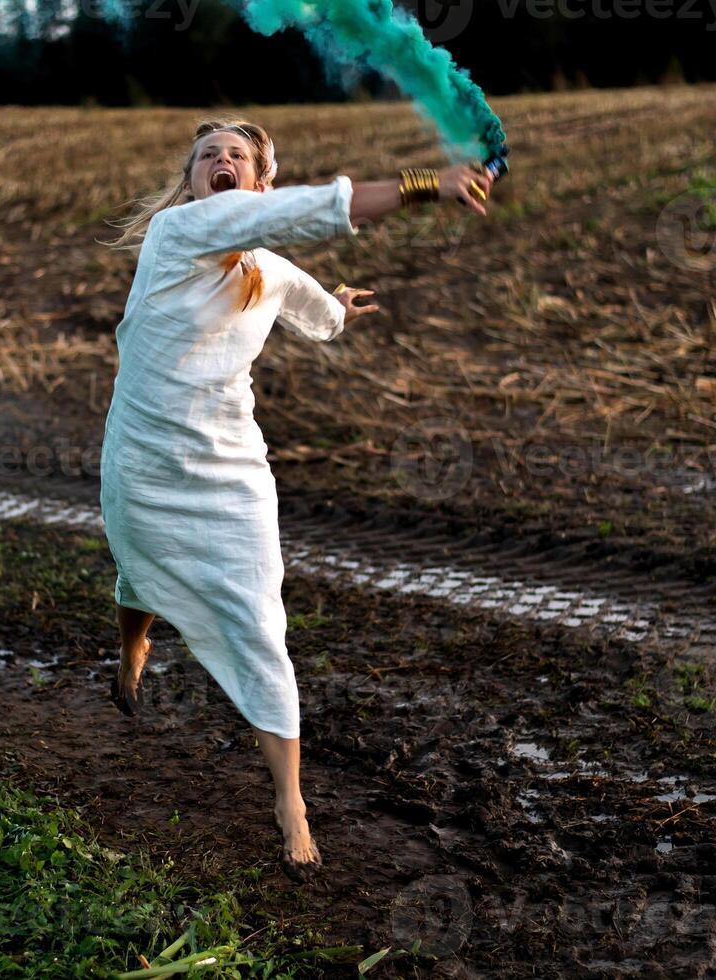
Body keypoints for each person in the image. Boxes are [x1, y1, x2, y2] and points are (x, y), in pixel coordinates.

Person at [98, 116, 494, 882]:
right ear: (191, 181)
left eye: (237, 155)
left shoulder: (269, 272)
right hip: (144, 456)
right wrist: (424, 185)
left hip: (231, 471)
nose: (221, 161)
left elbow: (320, 318)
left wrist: (340, 305)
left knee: (260, 623)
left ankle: (291, 805)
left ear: (258, 176)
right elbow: (311, 210)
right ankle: (132, 645)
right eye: (207, 154)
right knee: (140, 565)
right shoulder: (178, 233)